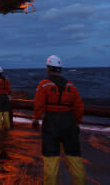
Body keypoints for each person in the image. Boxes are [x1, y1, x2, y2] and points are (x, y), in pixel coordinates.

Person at [33, 55, 86, 185]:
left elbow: (39, 104)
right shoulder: (71, 87)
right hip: (69, 124)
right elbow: (79, 107)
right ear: (60, 69)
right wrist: (77, 122)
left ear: (48, 68)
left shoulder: (44, 85)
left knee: (51, 160)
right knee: (75, 160)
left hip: (51, 124)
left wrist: (36, 118)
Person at [0, 66, 12, 131]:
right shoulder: (6, 79)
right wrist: (9, 95)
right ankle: (7, 126)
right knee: (6, 112)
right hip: (5, 97)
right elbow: (9, 89)